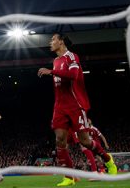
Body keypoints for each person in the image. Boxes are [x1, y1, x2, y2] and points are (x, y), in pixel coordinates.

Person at [38, 33, 117, 186]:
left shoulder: (72, 56)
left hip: (75, 105)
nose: (50, 42)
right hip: (59, 106)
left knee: (85, 141)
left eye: (53, 39)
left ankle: (108, 160)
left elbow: (73, 75)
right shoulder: (56, 61)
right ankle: (69, 177)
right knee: (59, 140)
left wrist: (51, 71)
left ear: (61, 42)